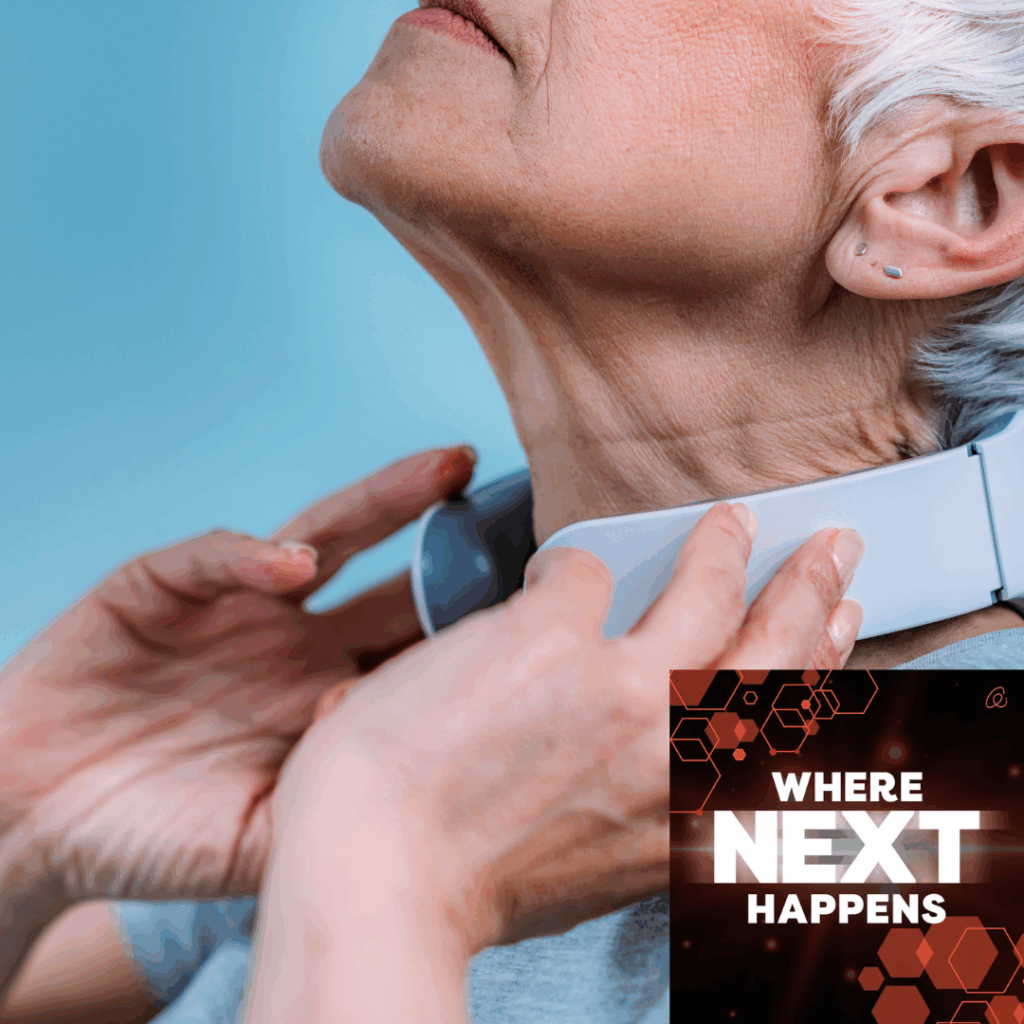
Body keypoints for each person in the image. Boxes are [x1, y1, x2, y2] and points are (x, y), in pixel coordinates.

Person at [5, 0, 1024, 1017]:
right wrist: (29, 814)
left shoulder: (947, 807)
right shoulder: (421, 731)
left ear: (950, 198)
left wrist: (394, 869)